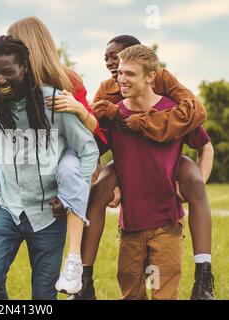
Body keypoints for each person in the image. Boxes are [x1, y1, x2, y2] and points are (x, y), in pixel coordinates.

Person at [0, 16, 100, 295]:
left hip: (52, 187)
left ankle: (74, 261)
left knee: (44, 292)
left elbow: (92, 140)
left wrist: (81, 111)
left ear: (27, 58)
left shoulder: (61, 90)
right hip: (11, 195)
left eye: (8, 68)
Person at [74, 35, 215, 300]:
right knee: (131, 296)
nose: (120, 79)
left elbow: (204, 146)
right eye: (120, 73)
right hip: (130, 228)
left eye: (129, 74)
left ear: (150, 77)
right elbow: (88, 150)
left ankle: (204, 279)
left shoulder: (175, 111)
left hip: (167, 226)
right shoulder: (111, 111)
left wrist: (194, 184)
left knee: (163, 296)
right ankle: (84, 281)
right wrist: (106, 184)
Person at [0, 35, 98, 300]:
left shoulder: (54, 103)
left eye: (8, 72)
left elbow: (88, 149)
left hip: (48, 214)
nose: (1, 80)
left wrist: (71, 198)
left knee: (44, 295)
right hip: (6, 209)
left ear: (25, 68)